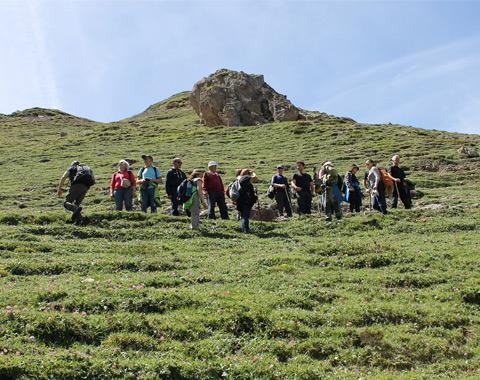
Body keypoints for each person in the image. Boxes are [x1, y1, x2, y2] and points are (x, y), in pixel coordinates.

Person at [236, 169, 258, 233]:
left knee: (243, 216)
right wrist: (253, 172)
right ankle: (246, 230)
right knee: (246, 216)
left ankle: (244, 229)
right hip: (246, 200)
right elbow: (255, 177)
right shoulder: (245, 178)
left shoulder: (240, 179)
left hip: (241, 200)